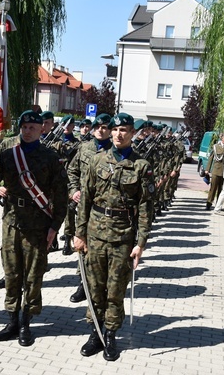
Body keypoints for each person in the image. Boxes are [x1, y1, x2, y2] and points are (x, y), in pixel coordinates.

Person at [0, 110, 67, 346]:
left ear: (41, 130)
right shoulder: (8, 155)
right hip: (11, 222)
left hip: (38, 225)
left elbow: (61, 196)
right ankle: (12, 320)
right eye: (24, 127)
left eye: (32, 128)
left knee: (33, 275)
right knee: (11, 274)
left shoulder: (50, 157)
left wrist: (55, 227)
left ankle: (27, 322)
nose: (27, 131)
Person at [73, 113, 154, 362]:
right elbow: (85, 199)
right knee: (95, 287)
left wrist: (141, 243)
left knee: (115, 289)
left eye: (124, 130)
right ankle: (95, 333)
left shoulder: (142, 166)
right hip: (95, 234)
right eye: (115, 129)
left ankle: (110, 335)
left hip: (123, 236)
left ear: (133, 134)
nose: (119, 134)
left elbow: (145, 208)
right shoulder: (97, 160)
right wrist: (79, 234)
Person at [66, 113, 113, 303]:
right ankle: (83, 284)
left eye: (105, 127)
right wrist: (74, 189)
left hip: (104, 209)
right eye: (98, 127)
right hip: (84, 206)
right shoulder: (84, 148)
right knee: (81, 242)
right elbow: (72, 170)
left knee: (101, 249)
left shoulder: (115, 151)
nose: (101, 130)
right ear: (93, 129)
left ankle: (101, 285)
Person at [51, 114, 80, 255]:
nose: (66, 127)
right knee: (51, 210)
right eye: (64, 124)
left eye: (69, 125)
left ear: (74, 127)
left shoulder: (78, 144)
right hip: (55, 182)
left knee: (69, 212)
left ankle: (68, 241)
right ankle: (53, 239)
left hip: (69, 183)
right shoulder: (54, 142)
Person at [205, 133, 224, 210]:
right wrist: (207, 170)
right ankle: (209, 203)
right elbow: (210, 158)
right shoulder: (215, 147)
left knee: (221, 189)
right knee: (213, 188)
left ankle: (218, 205)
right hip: (216, 170)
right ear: (222, 138)